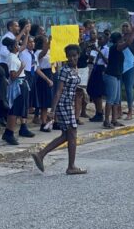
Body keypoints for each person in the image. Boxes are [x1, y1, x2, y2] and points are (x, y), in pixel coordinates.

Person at [31, 44, 87, 175]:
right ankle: (71, 166)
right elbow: (59, 91)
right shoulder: (65, 70)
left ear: (78, 55)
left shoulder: (74, 69)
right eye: (70, 56)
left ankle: (41, 154)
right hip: (63, 104)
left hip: (69, 105)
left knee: (67, 135)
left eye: (75, 56)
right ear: (66, 57)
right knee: (72, 133)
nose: (72, 58)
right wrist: (53, 110)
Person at [103, 28, 134, 128]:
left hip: (116, 75)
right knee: (111, 99)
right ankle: (106, 121)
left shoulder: (115, 48)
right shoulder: (115, 47)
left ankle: (114, 120)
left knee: (116, 100)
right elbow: (128, 42)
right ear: (118, 40)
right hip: (112, 75)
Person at [2, 36, 29, 145]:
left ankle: (8, 132)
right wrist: (22, 68)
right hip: (17, 84)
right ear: (13, 47)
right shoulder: (12, 58)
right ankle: (10, 133)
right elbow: (13, 76)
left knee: (17, 109)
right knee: (14, 110)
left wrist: (26, 33)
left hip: (22, 82)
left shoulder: (15, 55)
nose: (18, 47)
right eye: (16, 45)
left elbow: (23, 46)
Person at [17, 36, 37, 138]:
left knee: (29, 100)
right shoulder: (22, 52)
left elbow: (35, 67)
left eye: (33, 42)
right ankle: (23, 125)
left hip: (32, 76)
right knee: (24, 101)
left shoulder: (33, 54)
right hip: (25, 75)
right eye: (29, 42)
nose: (32, 44)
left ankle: (24, 124)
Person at [33, 35, 54, 132]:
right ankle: (43, 122)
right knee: (44, 101)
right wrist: (49, 41)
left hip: (51, 72)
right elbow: (44, 52)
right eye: (45, 42)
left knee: (51, 99)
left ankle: (52, 121)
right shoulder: (37, 53)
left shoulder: (49, 51)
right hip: (44, 75)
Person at [86, 31, 108, 122]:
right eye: (98, 39)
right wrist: (90, 52)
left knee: (98, 93)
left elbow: (107, 61)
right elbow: (91, 60)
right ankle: (98, 110)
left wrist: (99, 51)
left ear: (105, 40)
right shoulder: (96, 48)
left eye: (100, 39)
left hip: (101, 69)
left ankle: (99, 113)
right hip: (95, 68)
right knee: (91, 90)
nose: (98, 41)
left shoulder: (106, 49)